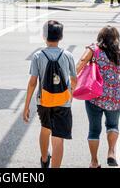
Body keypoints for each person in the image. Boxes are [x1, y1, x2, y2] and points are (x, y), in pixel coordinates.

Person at [76, 26, 120, 168]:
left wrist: (71, 82)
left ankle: (94, 161)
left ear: (100, 37)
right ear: (116, 39)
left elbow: (81, 63)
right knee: (113, 125)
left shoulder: (93, 50)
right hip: (114, 97)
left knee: (94, 130)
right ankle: (111, 152)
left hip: (94, 95)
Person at [23, 20, 77, 168]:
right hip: (63, 102)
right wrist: (70, 96)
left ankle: (44, 159)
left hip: (44, 101)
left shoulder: (38, 56)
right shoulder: (68, 55)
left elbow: (33, 82)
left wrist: (26, 106)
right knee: (58, 138)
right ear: (61, 37)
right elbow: (74, 80)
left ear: (44, 36)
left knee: (45, 129)